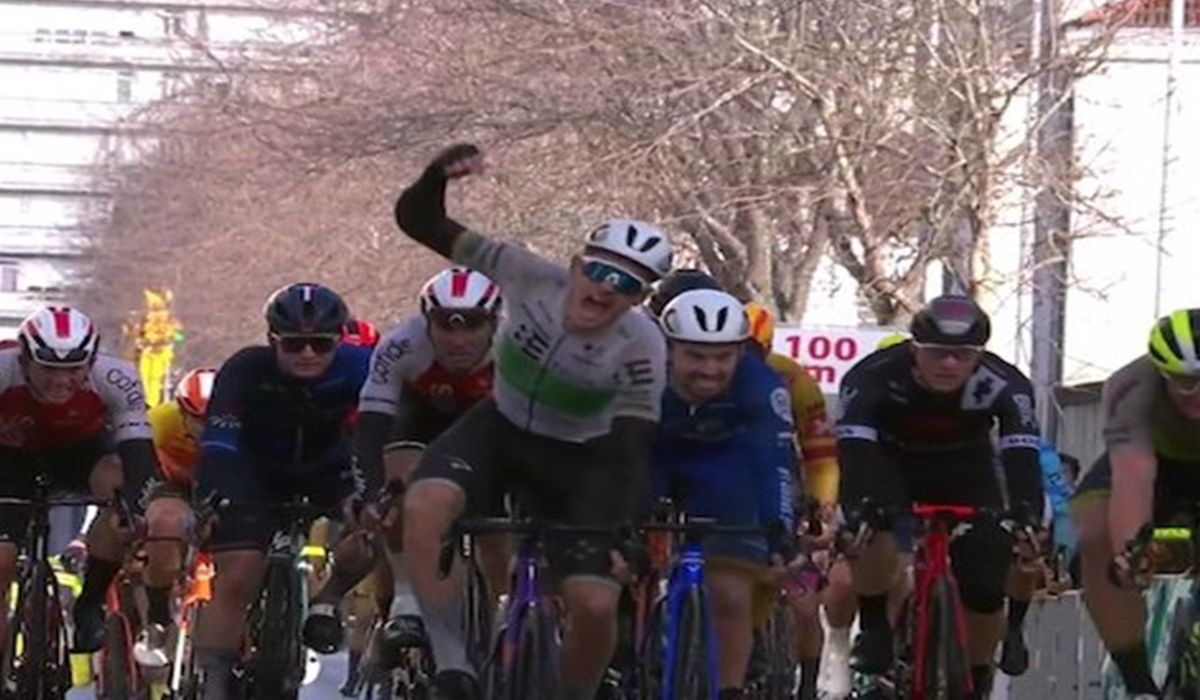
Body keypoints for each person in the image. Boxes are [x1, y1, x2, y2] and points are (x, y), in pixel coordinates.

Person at [394, 142, 671, 700]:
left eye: (627, 286)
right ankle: (452, 662)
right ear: (575, 265)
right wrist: (434, 177)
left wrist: (622, 526)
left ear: (640, 298)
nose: (604, 289)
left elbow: (631, 443)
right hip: (499, 427)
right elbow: (417, 220)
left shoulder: (642, 344)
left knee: (595, 605)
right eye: (598, 271)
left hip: (580, 458)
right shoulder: (525, 274)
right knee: (422, 505)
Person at [836, 295, 1043, 699]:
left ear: (978, 355)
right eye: (937, 354)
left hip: (966, 467)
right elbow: (855, 451)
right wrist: (859, 505)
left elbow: (1021, 453)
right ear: (915, 348)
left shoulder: (1008, 383)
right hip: (891, 463)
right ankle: (875, 625)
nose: (949, 364)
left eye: (962, 355)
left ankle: (979, 674)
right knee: (867, 524)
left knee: (986, 577)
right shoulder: (871, 376)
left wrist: (1025, 511)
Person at [192, 283, 376, 699]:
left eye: (320, 344)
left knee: (375, 523)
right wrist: (214, 498)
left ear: (338, 342)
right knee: (236, 572)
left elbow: (382, 433)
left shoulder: (360, 366)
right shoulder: (245, 368)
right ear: (272, 340)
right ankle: (214, 683)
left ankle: (329, 598)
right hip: (254, 472)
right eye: (294, 344)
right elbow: (219, 444)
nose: (307, 354)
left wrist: (371, 491)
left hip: (331, 470)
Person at [355, 267, 501, 669]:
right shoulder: (402, 345)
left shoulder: (518, 349)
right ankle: (405, 598)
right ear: (426, 321)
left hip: (491, 422)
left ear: (495, 322)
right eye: (444, 325)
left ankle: (501, 618)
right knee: (399, 483)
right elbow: (371, 427)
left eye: (473, 325)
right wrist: (373, 494)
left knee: (503, 530)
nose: (458, 339)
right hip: (419, 418)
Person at [652, 289, 796, 699]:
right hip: (653, 457)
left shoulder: (761, 384)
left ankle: (729, 689)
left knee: (731, 594)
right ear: (669, 350)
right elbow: (617, 455)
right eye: (695, 356)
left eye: (722, 357)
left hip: (727, 468)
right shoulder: (642, 371)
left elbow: (774, 463)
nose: (710, 370)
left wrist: (778, 531)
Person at [0, 307, 158, 653]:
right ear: (24, 359)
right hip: (10, 460)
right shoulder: (2, 368)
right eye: (48, 369)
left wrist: (136, 509)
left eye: (74, 369)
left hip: (82, 453)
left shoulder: (116, 376)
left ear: (91, 361)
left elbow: (139, 454)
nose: (61, 380)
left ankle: (91, 602)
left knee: (120, 491)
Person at [1071, 308, 1200, 699]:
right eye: (1185, 382)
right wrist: (1130, 550)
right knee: (1097, 536)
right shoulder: (1131, 385)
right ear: (1162, 372)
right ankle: (1138, 682)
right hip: (1151, 467)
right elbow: (1133, 475)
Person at [743, 300, 848, 700]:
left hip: (785, 487)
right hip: (726, 488)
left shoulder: (792, 378)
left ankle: (806, 683)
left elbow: (821, 454)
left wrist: (820, 509)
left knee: (804, 606)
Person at [134, 366, 217, 667]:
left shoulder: (250, 423)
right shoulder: (159, 421)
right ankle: (158, 616)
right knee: (165, 523)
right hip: (173, 483)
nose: (204, 428)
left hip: (227, 482)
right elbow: (138, 466)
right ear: (180, 410)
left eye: (212, 420)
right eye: (196, 419)